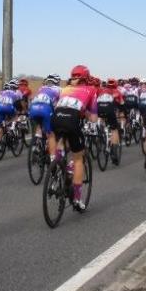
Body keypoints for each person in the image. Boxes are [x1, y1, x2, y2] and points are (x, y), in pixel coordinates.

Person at [52, 64, 98, 211]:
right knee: (79, 158)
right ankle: (77, 199)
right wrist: (86, 113)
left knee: (61, 140)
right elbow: (94, 118)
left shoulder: (65, 89)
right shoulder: (91, 89)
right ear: (87, 77)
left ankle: (57, 167)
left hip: (56, 118)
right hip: (72, 122)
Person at [29, 74, 61, 152]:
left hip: (33, 108)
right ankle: (53, 158)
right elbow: (60, 103)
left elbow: (32, 98)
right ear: (57, 82)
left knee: (39, 125)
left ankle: (37, 140)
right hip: (46, 110)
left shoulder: (41, 88)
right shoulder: (59, 89)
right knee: (50, 134)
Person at [96, 78, 124, 164]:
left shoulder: (101, 90)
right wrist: (123, 113)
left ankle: (101, 133)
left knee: (102, 118)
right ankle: (114, 153)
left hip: (99, 108)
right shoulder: (117, 91)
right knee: (114, 129)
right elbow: (122, 104)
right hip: (110, 110)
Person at [0, 79, 22, 153]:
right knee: (16, 116)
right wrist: (20, 111)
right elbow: (19, 104)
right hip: (8, 107)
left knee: (1, 125)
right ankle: (12, 128)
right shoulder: (17, 93)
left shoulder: (2, 92)